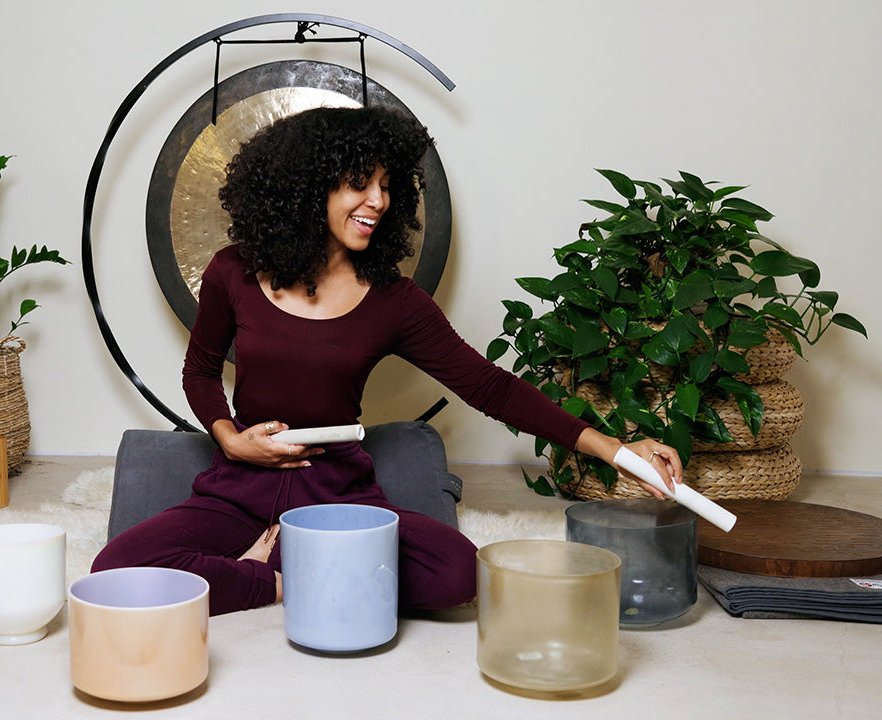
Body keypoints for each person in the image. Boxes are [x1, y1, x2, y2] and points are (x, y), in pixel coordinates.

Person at [91, 105, 681, 616]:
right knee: (115, 565)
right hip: (239, 482)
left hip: (337, 494)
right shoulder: (232, 271)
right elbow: (199, 370)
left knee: (456, 572)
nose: (379, 201)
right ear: (307, 187)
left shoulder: (395, 301)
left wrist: (619, 450)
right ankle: (270, 580)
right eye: (359, 184)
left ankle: (293, 566)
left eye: (387, 185)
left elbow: (490, 387)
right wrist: (230, 438)